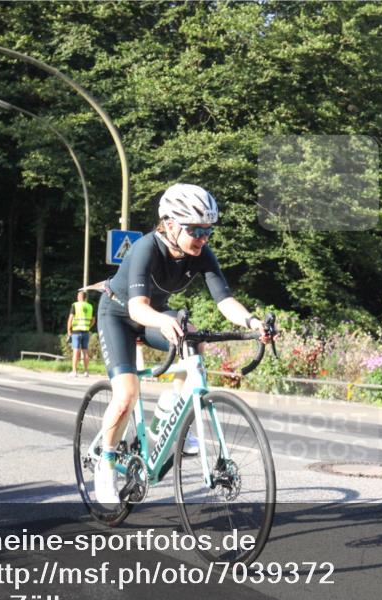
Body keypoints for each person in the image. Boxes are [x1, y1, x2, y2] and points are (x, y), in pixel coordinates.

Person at [94, 183, 270, 504]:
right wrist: (164, 321)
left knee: (193, 336)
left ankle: (172, 406)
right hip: (119, 315)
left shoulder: (201, 255)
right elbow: (137, 309)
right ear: (170, 224)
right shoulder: (146, 248)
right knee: (126, 396)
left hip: (154, 315)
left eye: (208, 231)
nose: (203, 238)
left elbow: (224, 300)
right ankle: (105, 466)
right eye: (195, 230)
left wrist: (252, 322)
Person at [67, 290, 95, 377]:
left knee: (76, 351)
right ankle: (86, 372)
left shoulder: (75, 305)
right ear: (85, 298)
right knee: (85, 351)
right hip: (86, 331)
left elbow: (70, 318)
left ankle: (74, 372)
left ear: (79, 297)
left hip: (76, 331)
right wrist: (88, 327)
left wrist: (68, 330)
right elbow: (93, 320)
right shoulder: (90, 306)